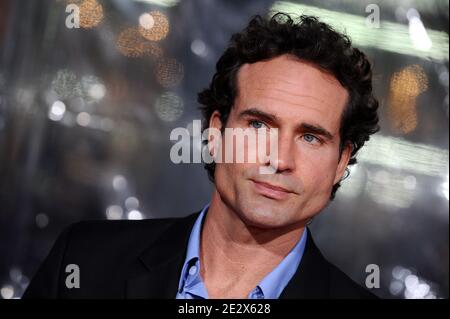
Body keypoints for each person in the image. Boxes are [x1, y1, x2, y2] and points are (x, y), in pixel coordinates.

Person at [23, 13, 379, 299]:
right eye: (258, 125)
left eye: (310, 137)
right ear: (216, 133)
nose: (279, 158)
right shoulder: (84, 263)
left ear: (341, 161)